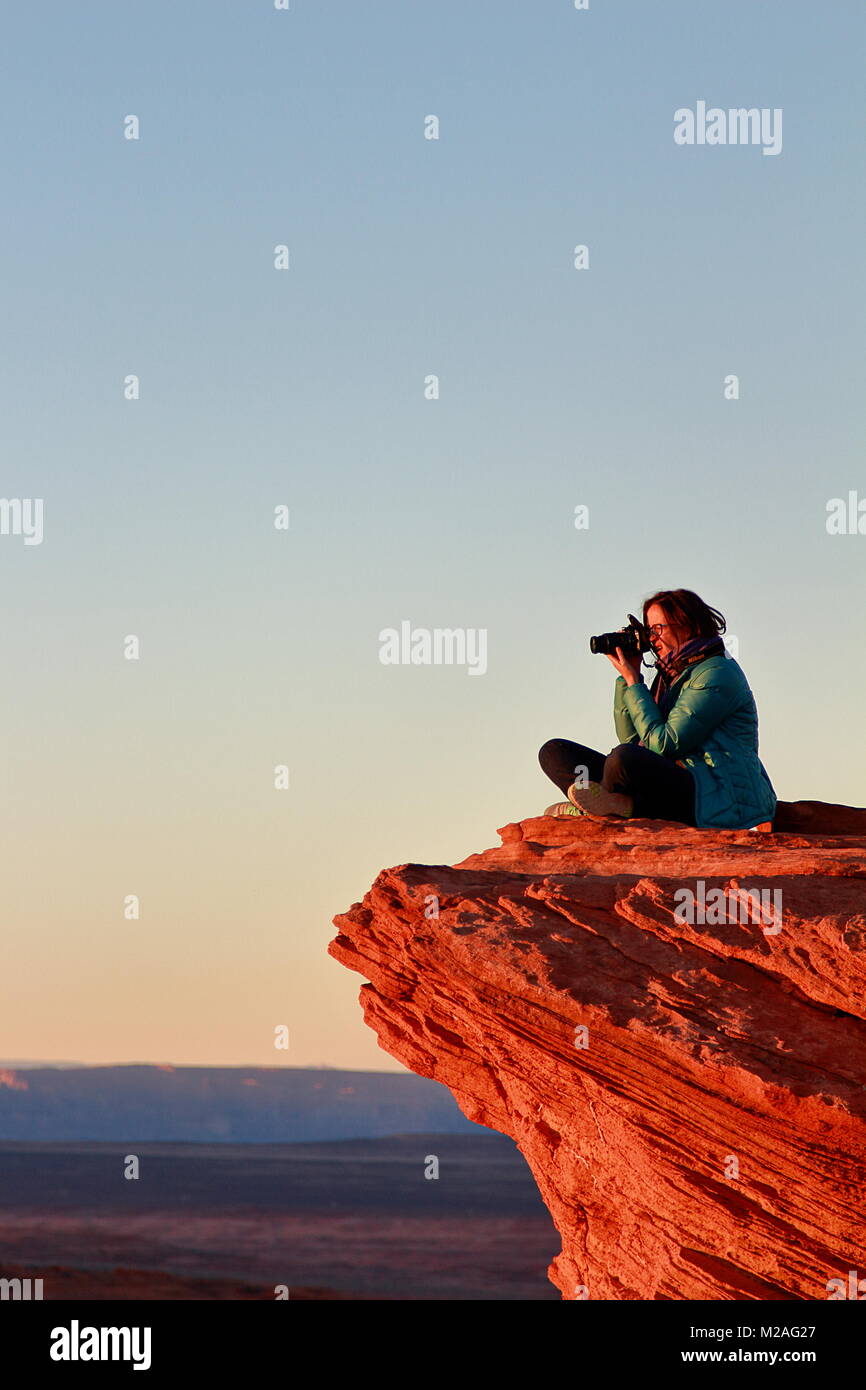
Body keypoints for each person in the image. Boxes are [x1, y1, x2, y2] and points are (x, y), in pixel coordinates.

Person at [538, 589, 777, 829]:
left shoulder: (717, 673)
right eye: (648, 630)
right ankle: (606, 804)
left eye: (657, 629)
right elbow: (633, 739)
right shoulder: (671, 675)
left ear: (686, 624)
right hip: (664, 781)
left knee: (622, 760)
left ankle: (607, 808)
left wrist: (634, 683)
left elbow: (664, 745)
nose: (651, 639)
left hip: (710, 791)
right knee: (555, 752)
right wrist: (627, 678)